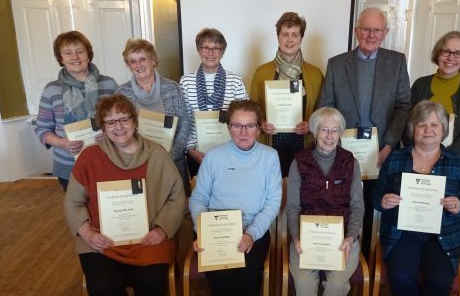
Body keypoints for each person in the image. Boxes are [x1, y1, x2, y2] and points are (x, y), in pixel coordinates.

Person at [64, 94, 185, 296]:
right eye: (110, 122)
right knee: (102, 289)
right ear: (103, 127)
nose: (118, 127)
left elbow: (177, 196)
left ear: (135, 121)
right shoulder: (89, 157)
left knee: (152, 284)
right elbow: (73, 202)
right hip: (102, 239)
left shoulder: (156, 154)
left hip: (149, 237)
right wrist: (87, 233)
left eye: (123, 119)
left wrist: (162, 229)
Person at [372, 101, 460, 296]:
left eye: (434, 125)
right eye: (422, 125)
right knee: (400, 275)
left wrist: (459, 207)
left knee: (440, 280)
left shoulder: (458, 162)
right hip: (402, 231)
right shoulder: (396, 158)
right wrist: (384, 201)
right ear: (412, 129)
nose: (428, 130)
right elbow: (376, 196)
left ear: (443, 129)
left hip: (443, 234)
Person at [189, 100, 281, 296]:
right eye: (237, 125)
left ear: (259, 128)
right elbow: (198, 199)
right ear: (228, 127)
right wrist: (202, 232)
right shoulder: (214, 157)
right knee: (222, 277)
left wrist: (251, 233)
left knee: (249, 276)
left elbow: (273, 202)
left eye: (249, 125)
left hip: (254, 230)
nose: (243, 132)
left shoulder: (270, 157)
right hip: (216, 230)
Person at [319, 7, 411, 256]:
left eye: (377, 30)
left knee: (374, 205)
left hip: (382, 151)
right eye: (366, 29)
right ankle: (341, 255)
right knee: (344, 203)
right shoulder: (337, 64)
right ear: (356, 31)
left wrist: (389, 144)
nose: (371, 35)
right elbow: (326, 106)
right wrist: (334, 143)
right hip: (343, 152)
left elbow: (404, 106)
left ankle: (368, 260)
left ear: (385, 32)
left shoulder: (397, 61)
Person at [286, 107, 364, 296]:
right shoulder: (299, 161)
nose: (329, 136)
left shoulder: (350, 162)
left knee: (337, 284)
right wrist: (296, 239)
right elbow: (292, 208)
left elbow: (357, 207)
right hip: (306, 238)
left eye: (334, 130)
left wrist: (351, 238)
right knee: (304, 282)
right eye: (323, 129)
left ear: (341, 132)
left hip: (343, 238)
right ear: (314, 131)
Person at [35, 31, 117, 191]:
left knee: (107, 211)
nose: (75, 57)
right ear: (61, 58)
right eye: (68, 53)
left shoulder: (109, 84)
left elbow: (122, 121)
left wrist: (109, 134)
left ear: (88, 54)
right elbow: (41, 129)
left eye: (80, 51)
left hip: (107, 158)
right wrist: (61, 143)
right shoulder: (51, 90)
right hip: (68, 164)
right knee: (78, 212)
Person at [250, 12, 324, 176]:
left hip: (305, 146)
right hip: (270, 146)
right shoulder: (261, 72)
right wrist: (261, 123)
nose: (289, 40)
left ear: (301, 38)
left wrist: (311, 124)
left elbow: (323, 110)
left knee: (302, 193)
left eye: (295, 35)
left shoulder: (316, 74)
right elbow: (252, 109)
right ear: (278, 37)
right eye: (285, 34)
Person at [117, 38, 191, 193]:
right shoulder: (121, 93)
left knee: (176, 206)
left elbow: (184, 122)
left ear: (153, 60)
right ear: (129, 66)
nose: (138, 65)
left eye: (142, 59)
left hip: (172, 161)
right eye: (132, 61)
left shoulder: (172, 88)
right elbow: (119, 129)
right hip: (136, 162)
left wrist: (171, 155)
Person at [180, 28, 248, 177]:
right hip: (197, 154)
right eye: (206, 48)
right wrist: (191, 150)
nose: (211, 53)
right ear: (199, 50)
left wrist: (236, 148)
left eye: (216, 48)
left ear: (222, 52)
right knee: (200, 197)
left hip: (231, 153)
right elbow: (184, 121)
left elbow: (246, 118)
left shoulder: (235, 81)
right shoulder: (186, 82)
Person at [409, 31, 460, 160]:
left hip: (455, 158)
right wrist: (417, 152)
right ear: (438, 54)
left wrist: (445, 156)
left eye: (458, 53)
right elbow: (408, 122)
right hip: (417, 157)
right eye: (445, 51)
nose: (450, 58)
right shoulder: (420, 84)